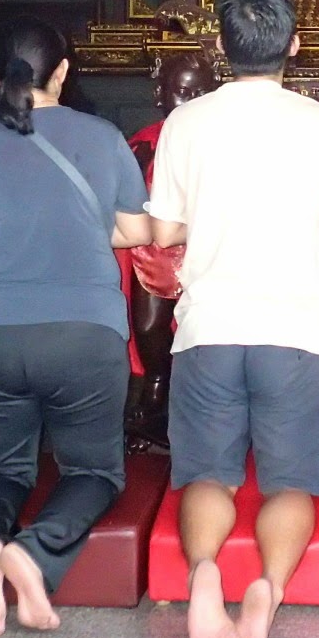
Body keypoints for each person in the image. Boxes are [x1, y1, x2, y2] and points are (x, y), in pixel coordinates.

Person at [148, 0, 319, 638]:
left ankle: (207, 572)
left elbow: (163, 229)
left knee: (207, 475)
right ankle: (268, 590)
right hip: (293, 332)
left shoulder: (186, 125)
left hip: (208, 327)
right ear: (294, 46)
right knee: (290, 485)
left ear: (221, 49)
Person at [0, 16, 151, 638]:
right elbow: (137, 234)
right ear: (62, 72)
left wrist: (10, 234)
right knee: (91, 471)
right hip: (85, 334)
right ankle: (33, 554)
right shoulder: (103, 136)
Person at [118, 50, 214, 445]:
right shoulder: (142, 143)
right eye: (181, 92)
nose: (188, 103)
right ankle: (156, 387)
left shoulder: (220, 142)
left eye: (199, 93)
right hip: (153, 253)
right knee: (149, 326)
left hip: (209, 248)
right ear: (161, 93)